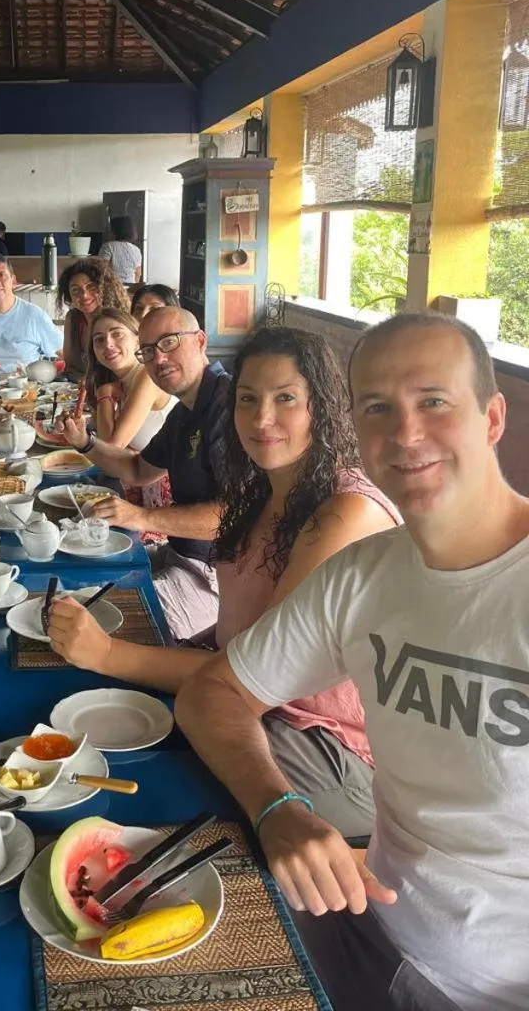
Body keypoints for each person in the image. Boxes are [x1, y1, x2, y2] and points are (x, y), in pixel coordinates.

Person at [174, 312, 529, 1011]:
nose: (404, 433)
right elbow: (212, 696)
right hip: (364, 928)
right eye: (378, 409)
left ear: (491, 418)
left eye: (433, 402)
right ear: (355, 429)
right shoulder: (364, 576)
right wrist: (278, 808)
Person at [51, 326, 399, 836]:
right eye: (248, 399)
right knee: (91, 719)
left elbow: (256, 674)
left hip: (325, 746)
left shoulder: (345, 512)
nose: (261, 419)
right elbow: (232, 641)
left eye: (286, 399)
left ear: (321, 407)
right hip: (242, 704)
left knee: (148, 789)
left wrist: (108, 653)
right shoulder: (257, 491)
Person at [61, 305, 227, 638]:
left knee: (106, 627)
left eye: (169, 343)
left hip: (217, 575)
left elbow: (232, 515)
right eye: (148, 351)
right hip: (180, 554)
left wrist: (142, 517)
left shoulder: (229, 403)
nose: (158, 359)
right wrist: (85, 443)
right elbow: (137, 469)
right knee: (81, 578)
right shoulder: (184, 412)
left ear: (201, 341)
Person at [84, 308, 176, 536]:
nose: (108, 344)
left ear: (138, 339)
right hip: (134, 487)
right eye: (99, 340)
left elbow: (111, 447)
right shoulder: (119, 381)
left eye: (117, 334)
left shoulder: (147, 376)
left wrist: (105, 398)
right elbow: (105, 446)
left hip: (164, 505)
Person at [57, 257, 129, 380]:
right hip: (73, 390)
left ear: (104, 288)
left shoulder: (118, 320)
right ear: (69, 297)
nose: (84, 295)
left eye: (91, 287)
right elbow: (69, 365)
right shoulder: (73, 318)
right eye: (75, 290)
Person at [98, 215, 142, 284]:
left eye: (111, 229)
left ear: (115, 231)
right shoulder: (136, 249)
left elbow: (101, 269)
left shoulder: (108, 246)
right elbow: (138, 273)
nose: (109, 231)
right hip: (131, 287)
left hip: (113, 286)